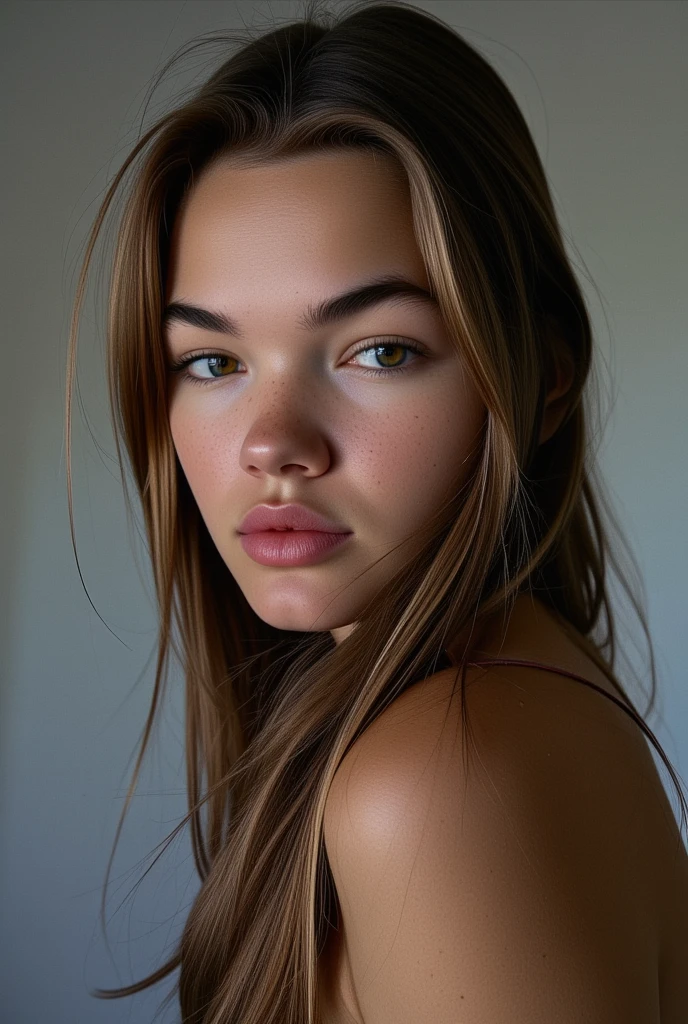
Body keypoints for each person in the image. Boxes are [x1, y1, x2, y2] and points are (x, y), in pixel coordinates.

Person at [66, 1, 687, 1021]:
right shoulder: (508, 707)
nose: (272, 442)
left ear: (541, 379)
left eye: (378, 351)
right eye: (213, 361)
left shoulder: (443, 779)